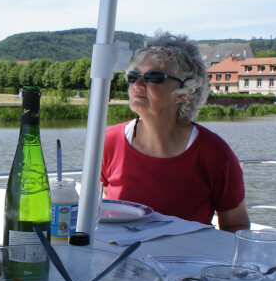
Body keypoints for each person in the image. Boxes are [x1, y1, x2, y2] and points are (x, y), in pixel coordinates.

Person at [101, 30, 250, 232]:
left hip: (186, 261)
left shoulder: (215, 155)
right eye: (133, 76)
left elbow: (236, 225)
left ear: (184, 93)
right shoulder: (109, 142)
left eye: (153, 77)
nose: (137, 84)